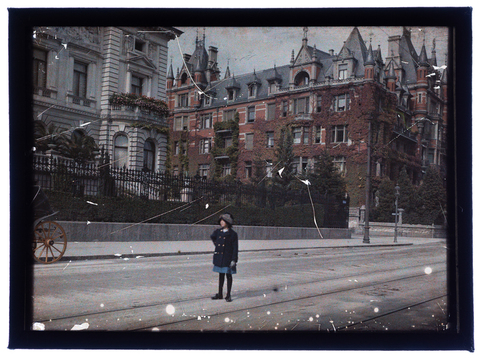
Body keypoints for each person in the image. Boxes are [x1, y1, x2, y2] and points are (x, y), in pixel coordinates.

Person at [210, 213, 238, 302]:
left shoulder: (233, 234)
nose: (221, 222)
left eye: (223, 221)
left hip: (227, 258)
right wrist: (216, 244)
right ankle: (220, 293)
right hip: (220, 258)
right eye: (221, 221)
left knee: (228, 276)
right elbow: (212, 237)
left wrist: (234, 259)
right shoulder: (218, 232)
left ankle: (228, 295)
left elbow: (235, 248)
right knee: (221, 276)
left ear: (228, 222)